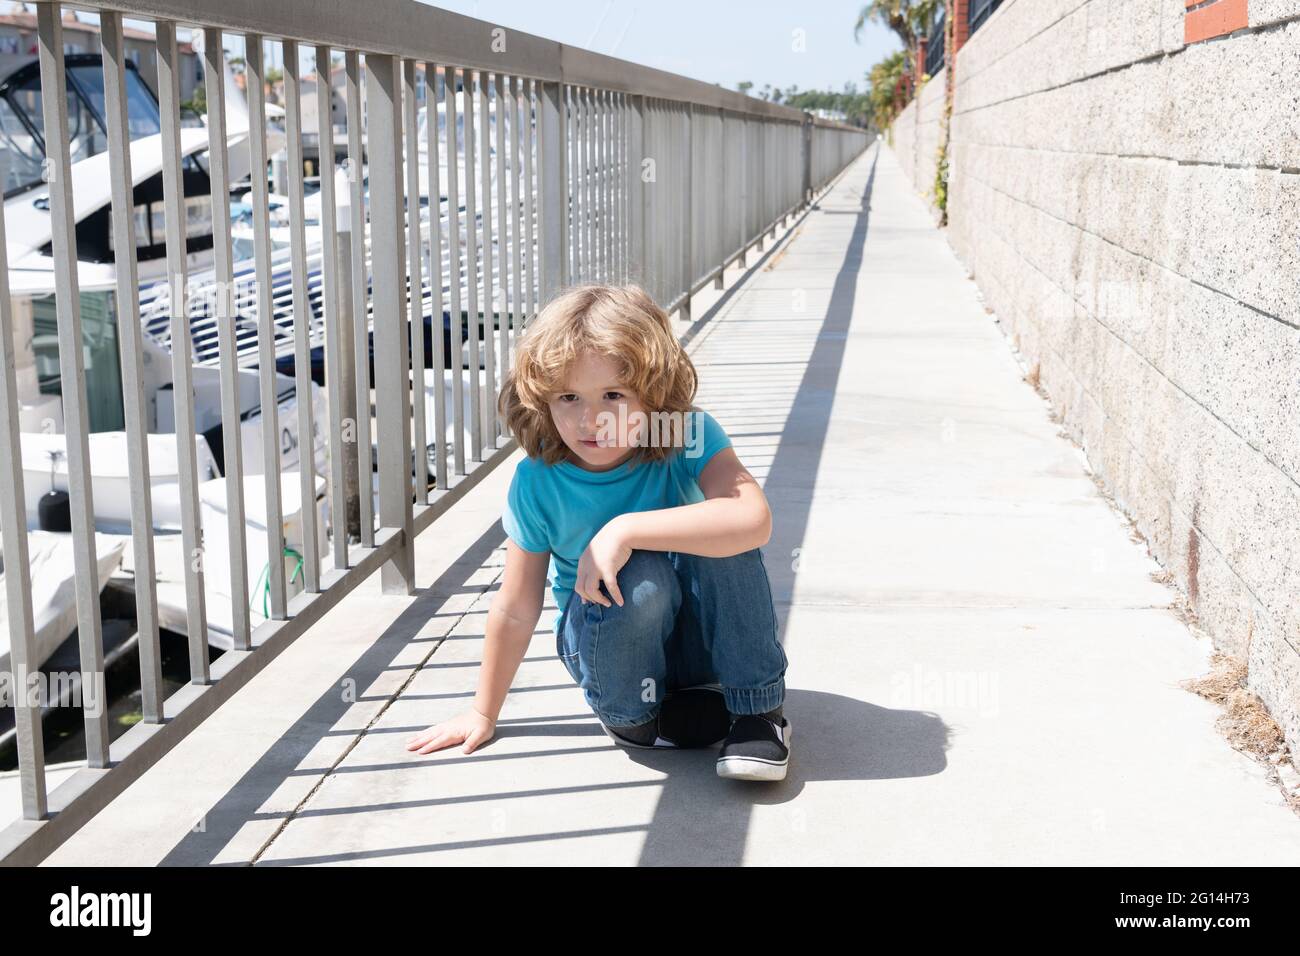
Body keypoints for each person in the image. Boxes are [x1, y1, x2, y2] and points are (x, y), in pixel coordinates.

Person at [405, 284, 790, 781]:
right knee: (642, 574)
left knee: (724, 530)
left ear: (654, 394)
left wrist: (623, 529)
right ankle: (641, 719)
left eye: (613, 395)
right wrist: (483, 712)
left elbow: (754, 518)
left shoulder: (685, 437)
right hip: (613, 654)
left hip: (697, 646)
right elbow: (516, 606)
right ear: (543, 401)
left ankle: (757, 713)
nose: (591, 419)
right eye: (569, 397)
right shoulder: (539, 481)